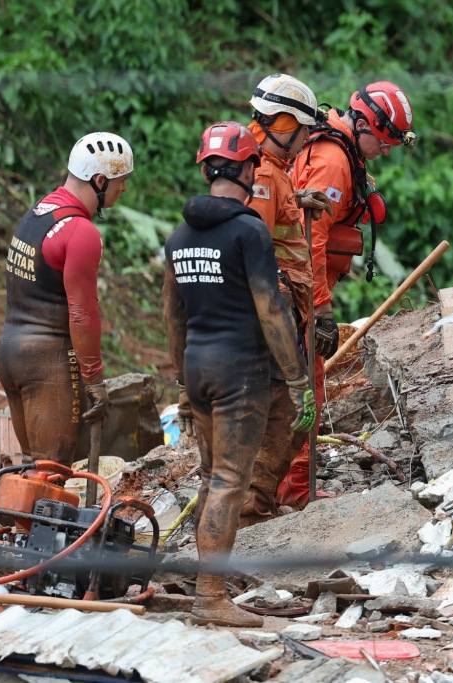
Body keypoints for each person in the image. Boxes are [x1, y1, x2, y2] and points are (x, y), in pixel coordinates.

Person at [163, 121, 314, 627]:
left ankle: (206, 584)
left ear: (207, 170)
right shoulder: (249, 231)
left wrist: (182, 383)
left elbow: (173, 317)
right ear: (248, 169)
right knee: (230, 482)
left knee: (212, 478)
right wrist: (297, 378)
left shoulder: (179, 237)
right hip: (240, 373)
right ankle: (210, 597)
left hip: (198, 367)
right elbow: (272, 311)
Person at [284, 80, 416, 508]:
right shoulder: (334, 162)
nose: (387, 151)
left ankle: (286, 483)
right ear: (361, 124)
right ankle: (295, 489)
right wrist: (320, 309)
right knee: (307, 387)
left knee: (299, 385)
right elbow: (311, 240)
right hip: (296, 293)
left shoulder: (338, 149)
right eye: (384, 141)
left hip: (295, 287)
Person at [0, 132, 133, 465]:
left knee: (32, 467)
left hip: (10, 353)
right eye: (120, 180)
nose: (124, 188)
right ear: (99, 180)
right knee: (50, 473)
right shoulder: (81, 232)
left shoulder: (38, 213)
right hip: (47, 364)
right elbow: (82, 313)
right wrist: (94, 379)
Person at [241, 73, 333, 526]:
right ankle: (253, 510)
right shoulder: (262, 174)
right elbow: (254, 248)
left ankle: (261, 503)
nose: (304, 142)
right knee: (288, 412)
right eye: (302, 132)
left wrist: (296, 199)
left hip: (282, 310)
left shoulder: (271, 171)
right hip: (273, 314)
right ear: (284, 124)